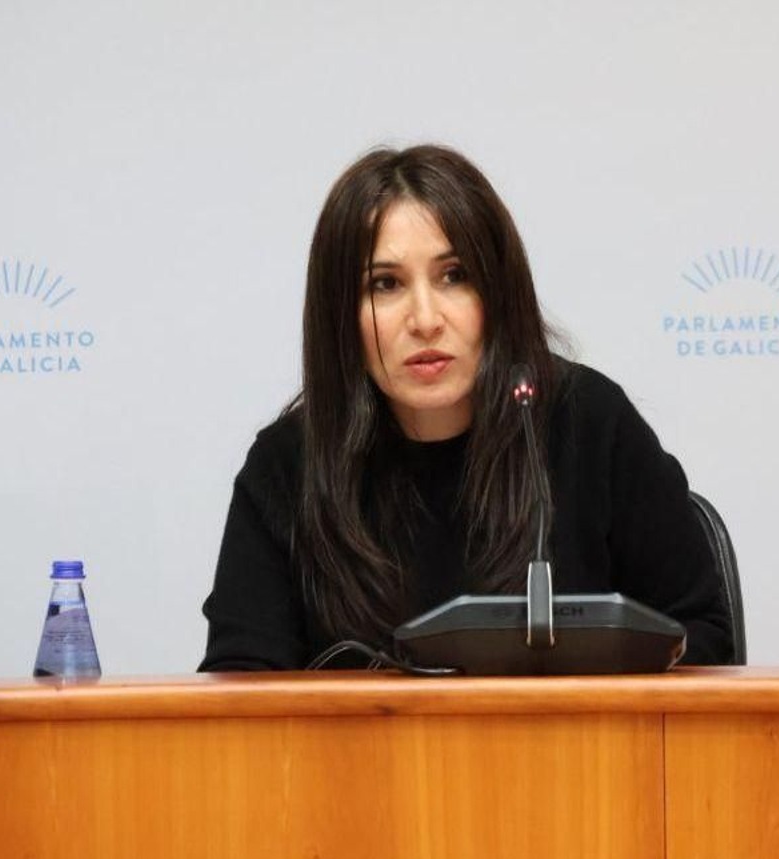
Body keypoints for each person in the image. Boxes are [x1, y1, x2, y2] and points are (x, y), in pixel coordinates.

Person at [200, 145, 731, 671]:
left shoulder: (590, 424)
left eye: (454, 275)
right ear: (341, 315)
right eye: (385, 285)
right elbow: (242, 688)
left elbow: (701, 637)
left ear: (497, 293)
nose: (425, 319)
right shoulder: (290, 465)